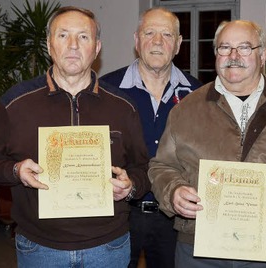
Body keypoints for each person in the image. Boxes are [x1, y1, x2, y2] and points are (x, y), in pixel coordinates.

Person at [148, 20, 266, 267]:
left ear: (263, 55)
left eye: (245, 47)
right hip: (199, 249)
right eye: (225, 48)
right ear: (216, 55)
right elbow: (161, 166)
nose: (233, 56)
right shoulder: (185, 111)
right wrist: (173, 192)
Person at [0, 6, 150, 268]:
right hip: (40, 246)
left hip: (107, 246)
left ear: (96, 48)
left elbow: (142, 168)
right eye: (63, 36)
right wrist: (16, 170)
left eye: (83, 37)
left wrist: (131, 186)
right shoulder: (16, 102)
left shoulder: (122, 106)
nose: (73, 45)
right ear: (49, 45)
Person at [100, 7, 202, 268]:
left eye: (167, 34)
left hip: (177, 217)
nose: (158, 42)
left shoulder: (199, 95)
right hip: (120, 212)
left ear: (178, 44)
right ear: (136, 40)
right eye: (149, 33)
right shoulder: (105, 90)